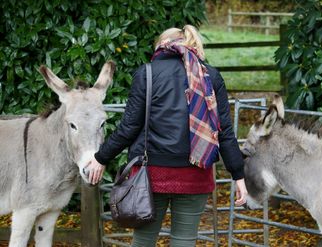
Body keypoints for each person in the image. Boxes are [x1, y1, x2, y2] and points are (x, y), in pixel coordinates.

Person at [88, 24, 248, 247]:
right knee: (184, 241)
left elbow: (129, 127)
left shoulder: (148, 73)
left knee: (143, 240)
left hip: (150, 175)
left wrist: (100, 158)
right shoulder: (210, 76)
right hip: (196, 175)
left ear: (162, 46)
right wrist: (238, 175)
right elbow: (225, 133)